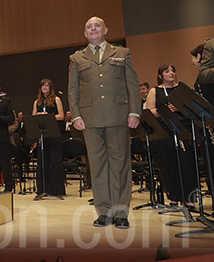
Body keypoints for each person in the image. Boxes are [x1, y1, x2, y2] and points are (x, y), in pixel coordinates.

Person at [68, 16, 141, 228]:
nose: (93, 28)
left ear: (105, 29)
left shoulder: (122, 53)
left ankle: (121, 213)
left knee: (120, 166)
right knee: (97, 166)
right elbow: (73, 90)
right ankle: (104, 212)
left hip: (118, 116)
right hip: (90, 120)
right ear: (85, 33)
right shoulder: (77, 58)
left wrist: (135, 112)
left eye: (97, 25)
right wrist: (76, 115)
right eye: (89, 26)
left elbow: (132, 84)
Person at [145, 63, 197, 207]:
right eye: (167, 71)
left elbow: (193, 107)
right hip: (165, 131)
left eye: (173, 70)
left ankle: (190, 199)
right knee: (169, 165)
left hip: (184, 129)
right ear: (160, 75)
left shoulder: (182, 88)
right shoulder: (155, 91)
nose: (171, 73)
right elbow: (150, 111)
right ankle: (173, 198)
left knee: (187, 164)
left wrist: (180, 108)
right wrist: (166, 110)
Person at [32, 78, 65, 197]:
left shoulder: (56, 99)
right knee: (42, 161)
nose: (45, 87)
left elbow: (61, 116)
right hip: (43, 135)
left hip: (54, 134)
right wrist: (39, 116)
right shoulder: (37, 102)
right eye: (43, 86)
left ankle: (56, 190)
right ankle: (42, 189)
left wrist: (49, 117)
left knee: (55, 161)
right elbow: (33, 116)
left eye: (47, 86)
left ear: (50, 88)